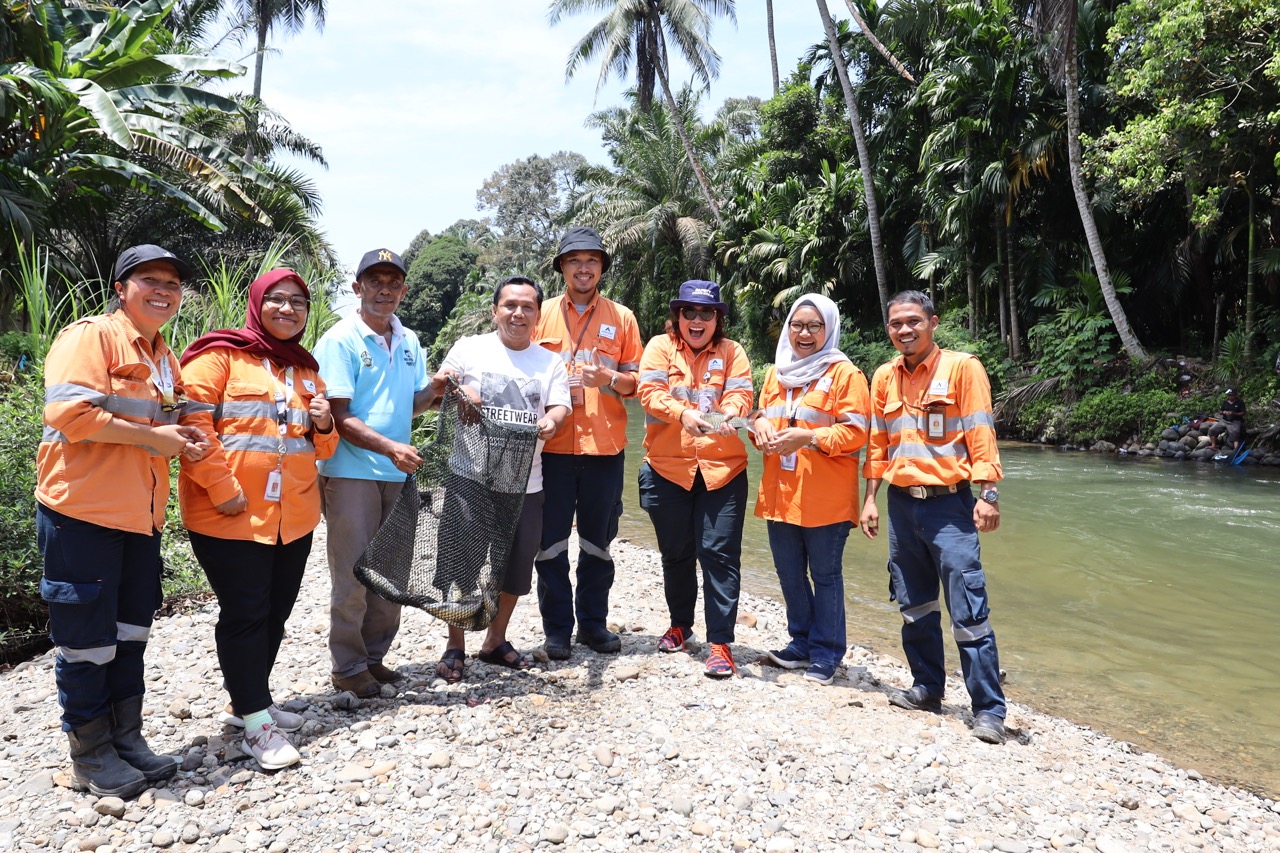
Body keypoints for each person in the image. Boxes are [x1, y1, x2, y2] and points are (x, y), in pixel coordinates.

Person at [36, 245, 208, 797]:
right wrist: (151, 436)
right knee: (86, 638)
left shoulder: (163, 354)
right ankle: (89, 752)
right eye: (150, 280)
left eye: (173, 283)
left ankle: (124, 737)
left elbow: (160, 417)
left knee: (131, 630)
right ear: (120, 288)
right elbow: (70, 413)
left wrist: (183, 432)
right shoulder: (90, 337)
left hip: (141, 515)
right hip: (81, 513)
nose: (164, 290)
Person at [178, 269, 338, 770]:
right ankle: (255, 725)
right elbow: (192, 426)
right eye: (277, 300)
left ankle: (249, 702)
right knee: (246, 614)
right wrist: (223, 489)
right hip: (230, 516)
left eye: (298, 302)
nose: (288, 310)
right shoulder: (218, 356)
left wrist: (325, 422)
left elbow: (322, 448)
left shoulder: (306, 370)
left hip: (294, 516)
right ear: (257, 303)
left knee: (275, 613)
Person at [859, 290, 1008, 744]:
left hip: (950, 505)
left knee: (968, 608)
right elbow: (877, 443)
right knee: (915, 604)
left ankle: (988, 709)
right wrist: (870, 498)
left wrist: (989, 494)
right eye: (896, 323)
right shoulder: (884, 375)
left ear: (933, 322)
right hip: (903, 505)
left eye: (913, 321)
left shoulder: (963, 368)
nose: (904, 330)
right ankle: (927, 687)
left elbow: (981, 430)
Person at [427, 276, 571, 681]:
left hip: (527, 483)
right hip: (469, 477)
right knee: (459, 565)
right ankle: (455, 644)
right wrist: (457, 392)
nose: (518, 313)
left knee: (515, 569)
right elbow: (440, 385)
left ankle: (495, 640)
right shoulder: (470, 348)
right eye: (510, 305)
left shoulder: (549, 361)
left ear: (538, 316)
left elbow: (560, 406)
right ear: (495, 311)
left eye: (527, 306)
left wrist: (550, 420)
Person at [314, 249, 432, 698]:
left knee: (390, 573)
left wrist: (437, 390)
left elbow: (413, 403)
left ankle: (373, 657)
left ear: (403, 289)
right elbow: (339, 416)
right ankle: (347, 666)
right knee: (353, 574)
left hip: (398, 474)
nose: (385, 289)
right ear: (357, 286)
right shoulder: (340, 340)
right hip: (351, 474)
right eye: (375, 280)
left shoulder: (410, 341)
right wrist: (389, 447)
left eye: (394, 282)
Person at [532, 227, 644, 659]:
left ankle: (593, 626)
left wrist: (610, 378)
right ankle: (557, 630)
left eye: (592, 260)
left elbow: (637, 384)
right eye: (574, 260)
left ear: (602, 268)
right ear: (561, 266)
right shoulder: (538, 314)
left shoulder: (623, 318)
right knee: (551, 543)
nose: (583, 267)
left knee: (598, 542)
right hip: (552, 450)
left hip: (604, 450)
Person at [636, 280, 753, 678]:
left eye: (706, 313)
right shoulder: (659, 347)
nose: (697, 320)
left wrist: (727, 417)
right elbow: (649, 392)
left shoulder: (733, 351)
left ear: (717, 317)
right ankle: (680, 625)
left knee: (719, 555)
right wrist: (684, 414)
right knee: (676, 553)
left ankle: (720, 643)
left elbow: (742, 396)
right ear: (678, 317)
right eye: (689, 312)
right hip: (667, 468)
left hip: (723, 472)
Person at [752, 294, 870, 686]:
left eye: (814, 326)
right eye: (797, 325)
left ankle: (826, 653)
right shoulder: (776, 373)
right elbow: (761, 419)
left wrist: (810, 437)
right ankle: (800, 643)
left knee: (825, 575)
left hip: (826, 497)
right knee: (788, 572)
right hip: (780, 492)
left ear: (829, 329)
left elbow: (856, 432)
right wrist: (759, 428)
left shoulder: (845, 375)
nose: (804, 333)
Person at [1208, 389, 1245, 454]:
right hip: (1224, 421)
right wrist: (1223, 412)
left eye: (1231, 395)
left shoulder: (1240, 402)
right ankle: (1213, 445)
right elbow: (1220, 411)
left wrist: (1233, 413)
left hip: (1235, 421)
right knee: (1212, 430)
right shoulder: (1225, 402)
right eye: (1229, 395)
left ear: (1235, 395)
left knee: (1235, 432)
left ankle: (1235, 450)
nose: (1230, 397)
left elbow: (1243, 413)